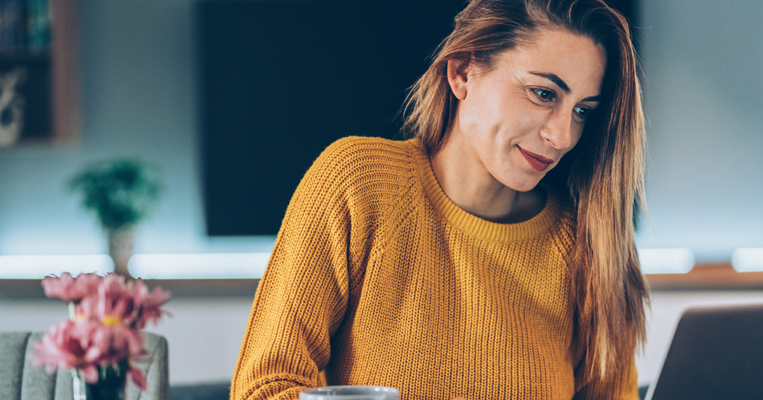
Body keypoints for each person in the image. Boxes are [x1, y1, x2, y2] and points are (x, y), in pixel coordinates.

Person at [231, 0, 648, 398]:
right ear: (462, 73)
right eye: (543, 94)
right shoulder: (358, 185)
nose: (562, 136)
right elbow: (264, 387)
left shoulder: (590, 245)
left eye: (582, 111)